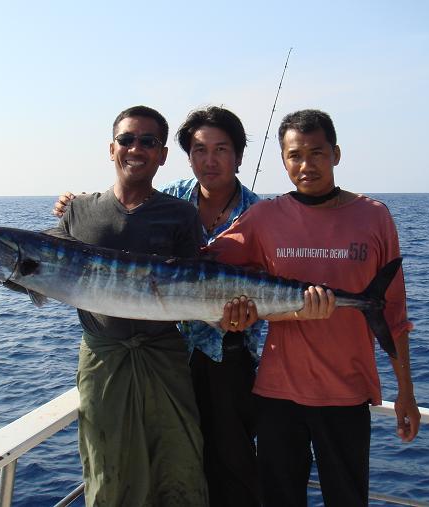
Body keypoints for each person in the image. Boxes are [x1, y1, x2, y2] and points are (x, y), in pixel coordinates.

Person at [53, 106, 334, 507]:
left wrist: (264, 312)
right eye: (200, 150)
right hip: (171, 352)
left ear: (238, 156)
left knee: (231, 466)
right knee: (167, 459)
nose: (210, 159)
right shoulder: (175, 200)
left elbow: (277, 285)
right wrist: (72, 205)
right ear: (185, 156)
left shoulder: (264, 213)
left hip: (228, 356)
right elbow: (125, 219)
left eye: (221, 149)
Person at [211, 109, 420, 507]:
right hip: (277, 395)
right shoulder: (263, 217)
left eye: (317, 153)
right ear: (283, 160)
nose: (306, 165)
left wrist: (405, 392)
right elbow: (202, 259)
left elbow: (394, 314)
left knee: (347, 499)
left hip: (347, 394)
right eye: (294, 155)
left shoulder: (374, 216)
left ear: (336, 154)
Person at [51, 105, 210, 506]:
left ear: (162, 154)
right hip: (103, 360)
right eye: (126, 139)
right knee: (107, 468)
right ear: (111, 148)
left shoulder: (181, 214)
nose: (135, 148)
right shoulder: (78, 210)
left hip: (164, 357)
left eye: (148, 141)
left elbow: (199, 287)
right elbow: (40, 270)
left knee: (179, 464)